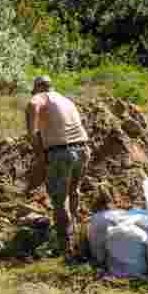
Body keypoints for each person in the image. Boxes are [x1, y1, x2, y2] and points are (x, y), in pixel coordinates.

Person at [25, 75, 91, 257]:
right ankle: (76, 233)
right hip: (83, 148)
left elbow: (32, 106)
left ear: (38, 87)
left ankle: (64, 246)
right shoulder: (66, 100)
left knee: (59, 200)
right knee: (73, 191)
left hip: (61, 152)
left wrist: (33, 139)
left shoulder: (40, 97)